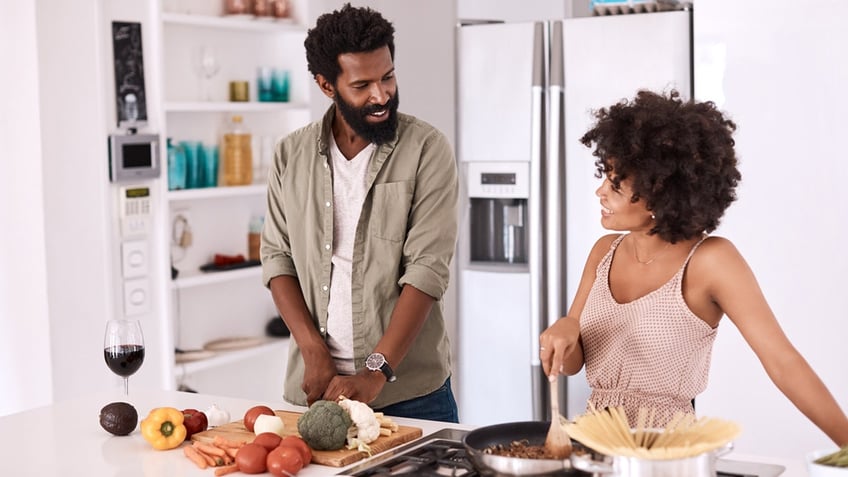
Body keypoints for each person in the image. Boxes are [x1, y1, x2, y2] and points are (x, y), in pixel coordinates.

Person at [539, 89, 848, 445]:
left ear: (661, 192)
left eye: (615, 184)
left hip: (669, 454)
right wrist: (565, 329)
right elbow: (572, 364)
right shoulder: (604, 251)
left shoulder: (710, 260)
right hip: (593, 445)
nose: (600, 193)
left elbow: (783, 362)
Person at [260, 3, 459, 423]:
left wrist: (376, 370)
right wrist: (313, 352)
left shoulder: (427, 149)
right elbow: (277, 258)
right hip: (317, 389)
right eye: (362, 84)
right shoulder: (289, 155)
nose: (381, 95)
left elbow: (427, 269)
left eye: (387, 77)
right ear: (326, 85)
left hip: (411, 393)